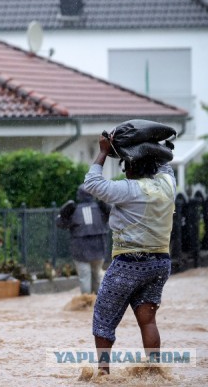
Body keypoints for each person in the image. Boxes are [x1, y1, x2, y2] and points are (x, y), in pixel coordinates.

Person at [83, 134, 175, 375]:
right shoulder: (167, 185)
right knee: (148, 319)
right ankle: (155, 372)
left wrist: (103, 152)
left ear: (130, 167)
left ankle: (103, 373)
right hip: (160, 264)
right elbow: (166, 165)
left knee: (103, 317)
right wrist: (158, 147)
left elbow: (91, 184)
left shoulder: (129, 189)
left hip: (129, 263)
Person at [56, 185, 110, 294]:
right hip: (98, 249)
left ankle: (85, 303)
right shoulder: (101, 209)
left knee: (84, 276)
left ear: (79, 195)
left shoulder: (74, 210)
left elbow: (60, 224)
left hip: (80, 250)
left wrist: (62, 216)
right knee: (97, 275)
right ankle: (97, 304)